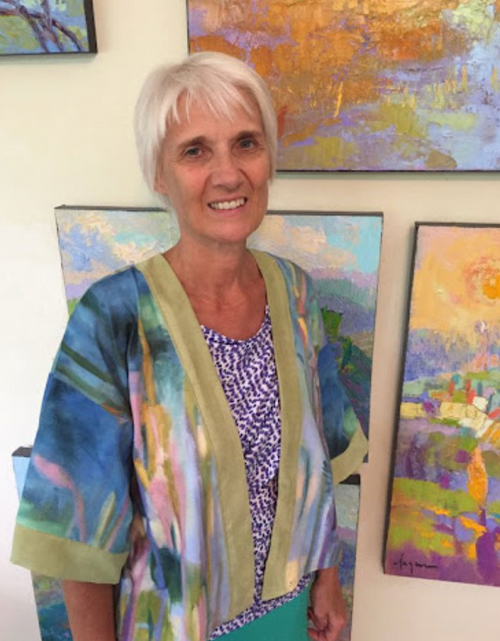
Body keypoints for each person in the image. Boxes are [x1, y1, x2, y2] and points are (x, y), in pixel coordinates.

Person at [11, 52, 366, 641]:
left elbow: (323, 461)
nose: (228, 174)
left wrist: (327, 579)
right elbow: (78, 531)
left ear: (269, 158)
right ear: (160, 174)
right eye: (195, 151)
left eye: (246, 143)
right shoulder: (113, 317)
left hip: (286, 614)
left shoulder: (295, 292)